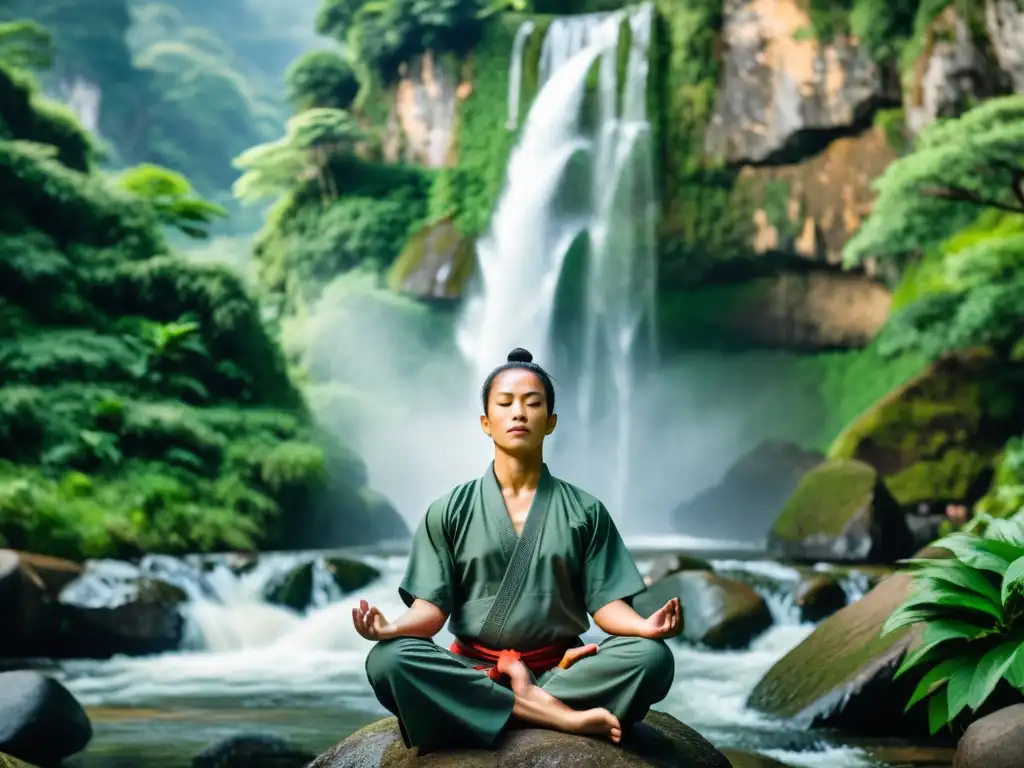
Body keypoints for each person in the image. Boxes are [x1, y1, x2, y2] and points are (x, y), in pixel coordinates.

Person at [352, 347, 681, 752]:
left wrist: (645, 627)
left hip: (562, 670)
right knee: (388, 659)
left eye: (532, 403)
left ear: (551, 421)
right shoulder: (449, 510)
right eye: (505, 404)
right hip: (476, 670)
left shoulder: (585, 511)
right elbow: (431, 611)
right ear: (486, 423)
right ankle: (552, 714)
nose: (519, 413)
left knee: (652, 658)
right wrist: (390, 629)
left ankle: (494, 709)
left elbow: (606, 605)